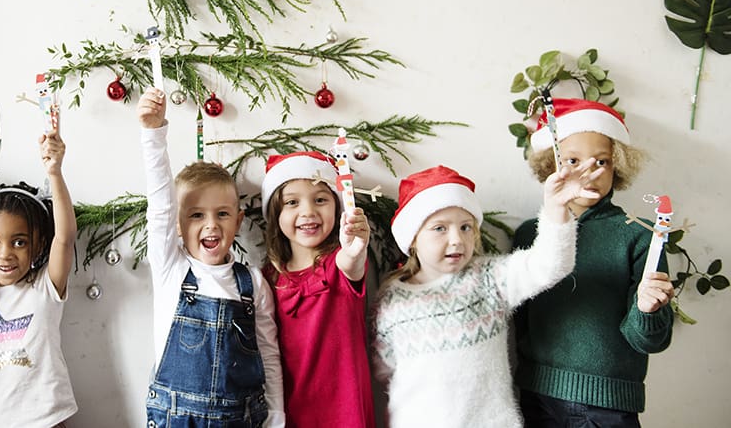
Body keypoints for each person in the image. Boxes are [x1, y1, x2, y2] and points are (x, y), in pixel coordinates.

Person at [372, 162, 602, 428]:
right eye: (440, 228)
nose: (457, 239)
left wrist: (556, 209)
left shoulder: (489, 278)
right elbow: (384, 370)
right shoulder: (393, 299)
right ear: (412, 237)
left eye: (466, 227)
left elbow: (549, 266)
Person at [514, 98, 675, 427]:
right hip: (536, 398)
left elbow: (650, 340)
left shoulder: (638, 235)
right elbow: (516, 322)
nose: (588, 172)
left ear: (618, 167)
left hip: (609, 406)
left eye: (602, 161)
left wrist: (648, 310)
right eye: (572, 159)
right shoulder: (529, 234)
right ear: (551, 164)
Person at [138, 88, 285, 427]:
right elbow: (160, 205)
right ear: (178, 224)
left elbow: (269, 354)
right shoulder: (170, 268)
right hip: (176, 419)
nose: (210, 225)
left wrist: (276, 415)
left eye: (221, 213)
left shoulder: (253, 284)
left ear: (238, 220)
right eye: (196, 215)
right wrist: (153, 133)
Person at [0, 128, 78, 428]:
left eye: (19, 242)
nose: (5, 254)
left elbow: (66, 238)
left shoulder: (45, 286)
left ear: (39, 244)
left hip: (45, 421)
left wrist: (54, 172)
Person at [259, 151, 374, 427]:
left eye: (320, 200)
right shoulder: (268, 277)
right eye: (292, 202)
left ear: (337, 207)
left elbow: (352, 262)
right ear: (276, 214)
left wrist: (356, 246)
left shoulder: (340, 264)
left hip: (346, 413)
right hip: (291, 412)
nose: (308, 212)